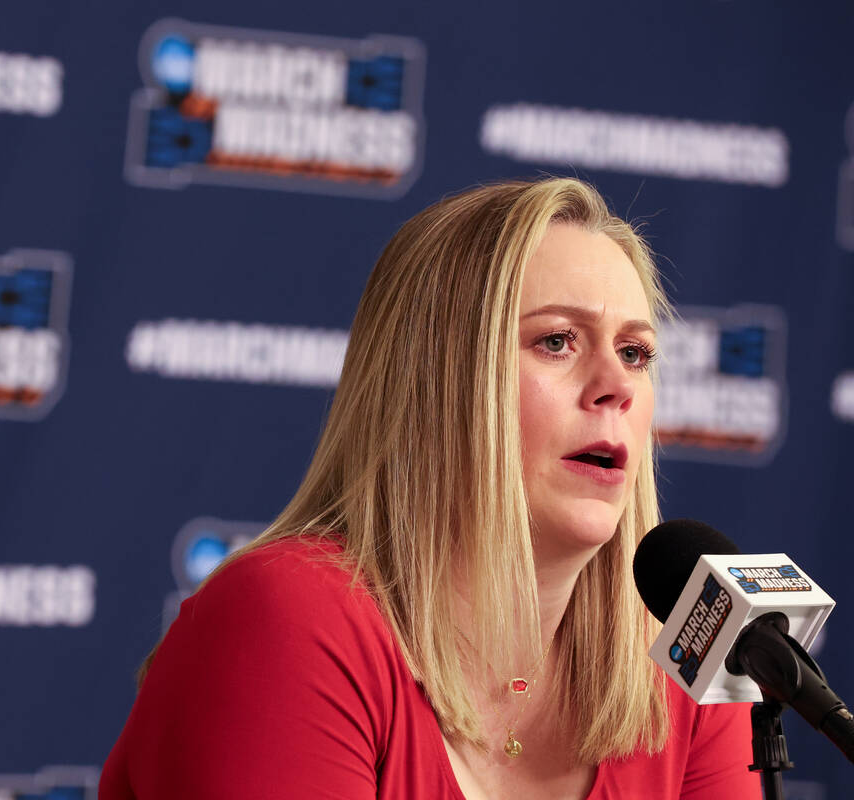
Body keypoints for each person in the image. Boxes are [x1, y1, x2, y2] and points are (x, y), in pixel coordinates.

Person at [99, 178, 759, 799]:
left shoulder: (685, 659)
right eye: (557, 341)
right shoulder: (290, 618)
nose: (615, 385)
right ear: (435, 386)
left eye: (635, 353)